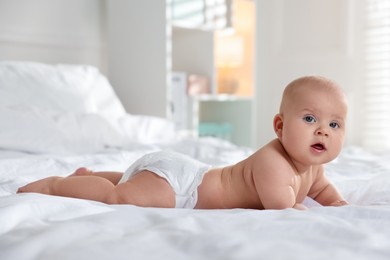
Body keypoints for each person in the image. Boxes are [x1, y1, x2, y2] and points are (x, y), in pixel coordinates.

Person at [17, 75, 349, 210]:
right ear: (279, 126)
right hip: (183, 188)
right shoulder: (272, 162)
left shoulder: (312, 170)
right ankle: (55, 186)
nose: (323, 131)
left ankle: (87, 176)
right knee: (119, 196)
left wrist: (339, 206)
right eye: (309, 119)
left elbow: (324, 192)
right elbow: (283, 206)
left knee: (127, 179)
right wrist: (301, 208)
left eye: (334, 125)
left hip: (184, 172)